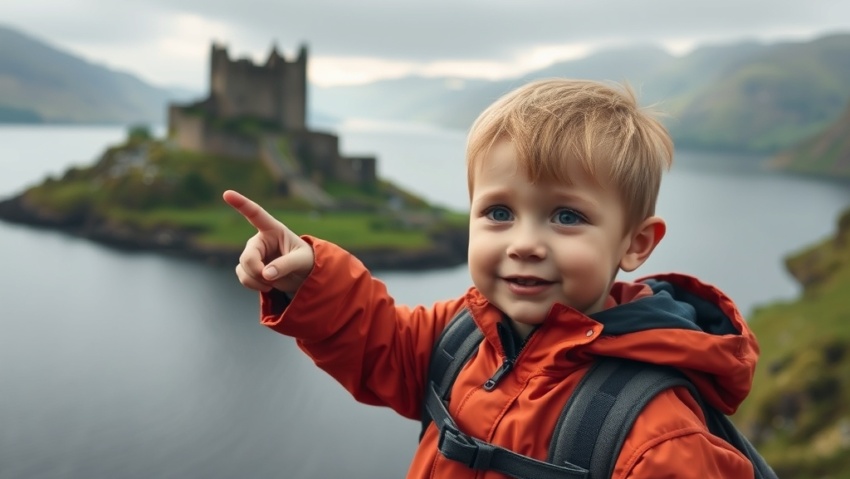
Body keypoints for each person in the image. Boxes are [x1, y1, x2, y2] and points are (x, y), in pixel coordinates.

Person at [223, 78, 760, 478]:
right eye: (499, 212)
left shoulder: (659, 439)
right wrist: (307, 277)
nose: (523, 243)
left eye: (567, 216)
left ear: (635, 243)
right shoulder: (463, 334)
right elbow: (377, 341)